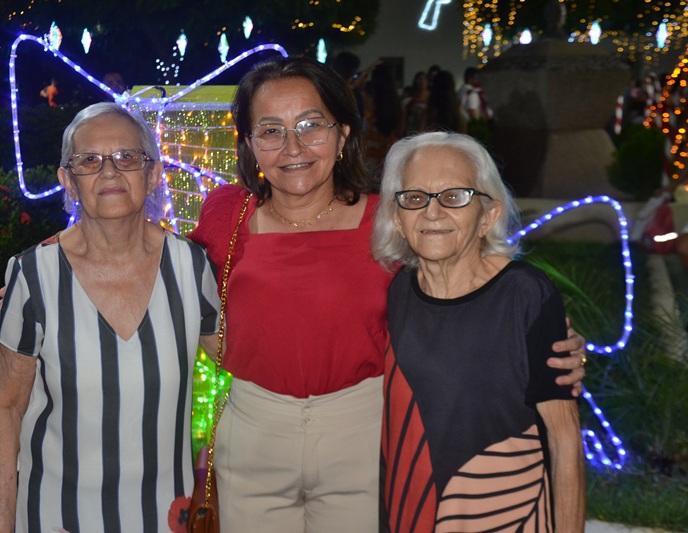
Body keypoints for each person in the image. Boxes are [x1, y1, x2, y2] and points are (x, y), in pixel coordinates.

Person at [188, 56, 587, 533]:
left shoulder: (391, 218)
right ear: (250, 145)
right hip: (255, 428)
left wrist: (543, 337)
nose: (293, 146)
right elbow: (178, 284)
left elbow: (471, 281)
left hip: (363, 429)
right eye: (271, 130)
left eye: (311, 125)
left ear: (343, 135)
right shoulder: (225, 214)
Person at [0, 103, 221, 533]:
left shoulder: (191, 266)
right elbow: (5, 404)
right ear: (68, 181)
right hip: (58, 515)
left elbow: (242, 358)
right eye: (89, 160)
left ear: (152, 174)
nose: (109, 171)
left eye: (127, 157)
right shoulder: (34, 274)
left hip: (166, 514)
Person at [374, 132, 586, 532]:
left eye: (454, 197)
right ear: (397, 219)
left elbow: (565, 439)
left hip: (507, 514)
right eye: (415, 198)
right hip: (415, 514)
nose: (432, 213)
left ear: (488, 216)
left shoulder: (525, 295)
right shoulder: (398, 292)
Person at [362, 62, 405, 177]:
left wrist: (366, 72)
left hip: (370, 149)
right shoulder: (395, 101)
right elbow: (400, 131)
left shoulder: (370, 93)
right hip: (389, 150)